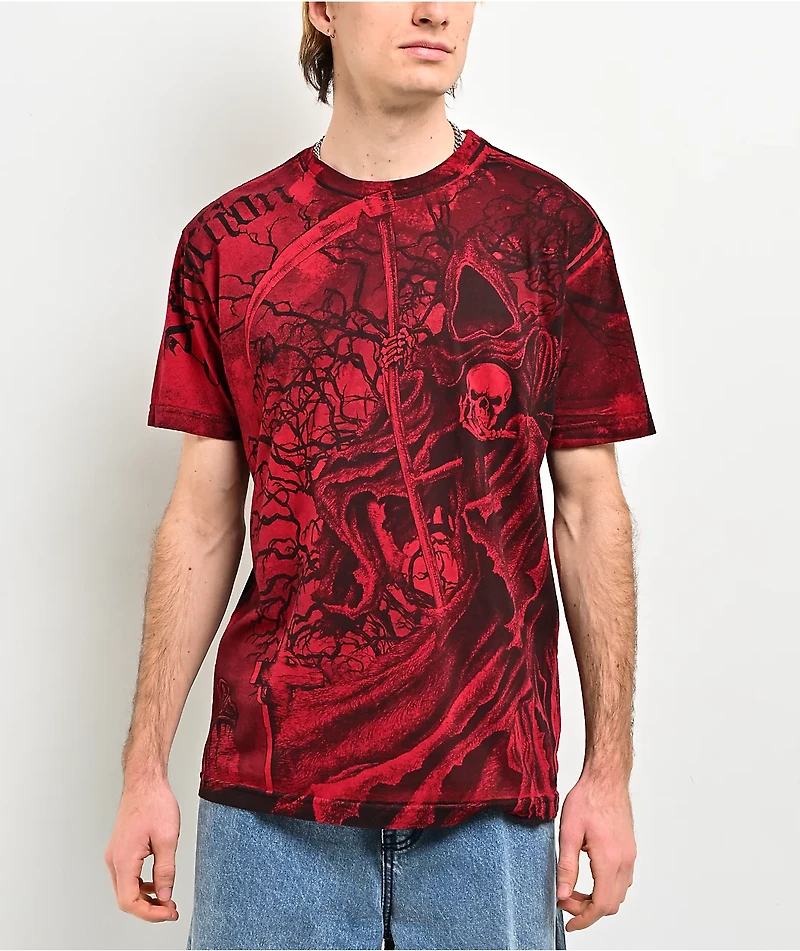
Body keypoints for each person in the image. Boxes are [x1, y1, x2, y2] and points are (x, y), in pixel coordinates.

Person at [104, 2, 657, 948]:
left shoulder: (553, 231)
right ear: (323, 8)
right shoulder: (228, 243)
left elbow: (589, 510)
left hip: (493, 804)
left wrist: (610, 773)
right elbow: (201, 517)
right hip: (269, 807)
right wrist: (142, 767)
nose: (435, 9)